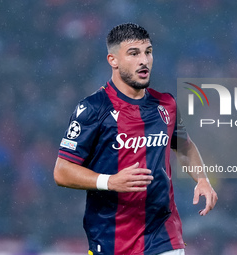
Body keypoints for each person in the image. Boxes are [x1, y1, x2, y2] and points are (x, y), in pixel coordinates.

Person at [53, 23, 218, 255]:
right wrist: (109, 181)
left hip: (163, 237)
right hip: (111, 239)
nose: (144, 60)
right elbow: (62, 171)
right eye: (134, 53)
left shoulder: (166, 104)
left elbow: (185, 147)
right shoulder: (92, 109)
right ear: (113, 60)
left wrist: (202, 179)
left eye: (148, 52)